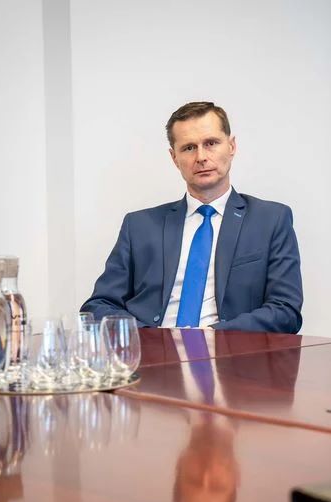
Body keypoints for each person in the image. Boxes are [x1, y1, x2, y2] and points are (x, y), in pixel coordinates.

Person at [82, 102, 303, 333]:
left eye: (211, 143)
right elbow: (98, 306)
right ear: (174, 157)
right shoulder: (139, 226)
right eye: (188, 148)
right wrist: (151, 339)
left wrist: (213, 336)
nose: (201, 157)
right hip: (152, 349)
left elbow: (285, 311)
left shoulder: (271, 220)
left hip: (229, 350)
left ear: (231, 146)